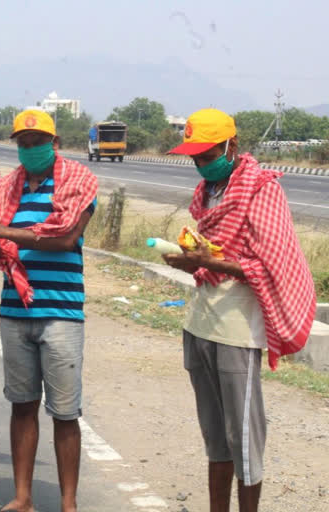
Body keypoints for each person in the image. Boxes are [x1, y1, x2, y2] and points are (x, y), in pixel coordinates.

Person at [163, 108, 316, 512]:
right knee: (215, 435)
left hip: (238, 327)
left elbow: (272, 263)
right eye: (195, 157)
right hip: (201, 321)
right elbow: (212, 253)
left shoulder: (261, 190)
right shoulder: (209, 195)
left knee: (244, 435)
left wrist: (208, 263)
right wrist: (193, 259)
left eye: (208, 155)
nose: (201, 164)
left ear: (232, 146)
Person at [0, 110, 98, 512]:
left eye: (38, 142)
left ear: (54, 144)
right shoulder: (10, 188)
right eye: (23, 144)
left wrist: (1, 231)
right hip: (16, 309)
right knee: (22, 405)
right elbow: (1, 254)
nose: (30, 150)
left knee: (64, 411)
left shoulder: (79, 182)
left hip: (60, 312)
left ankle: (68, 503)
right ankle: (22, 497)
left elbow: (63, 238)